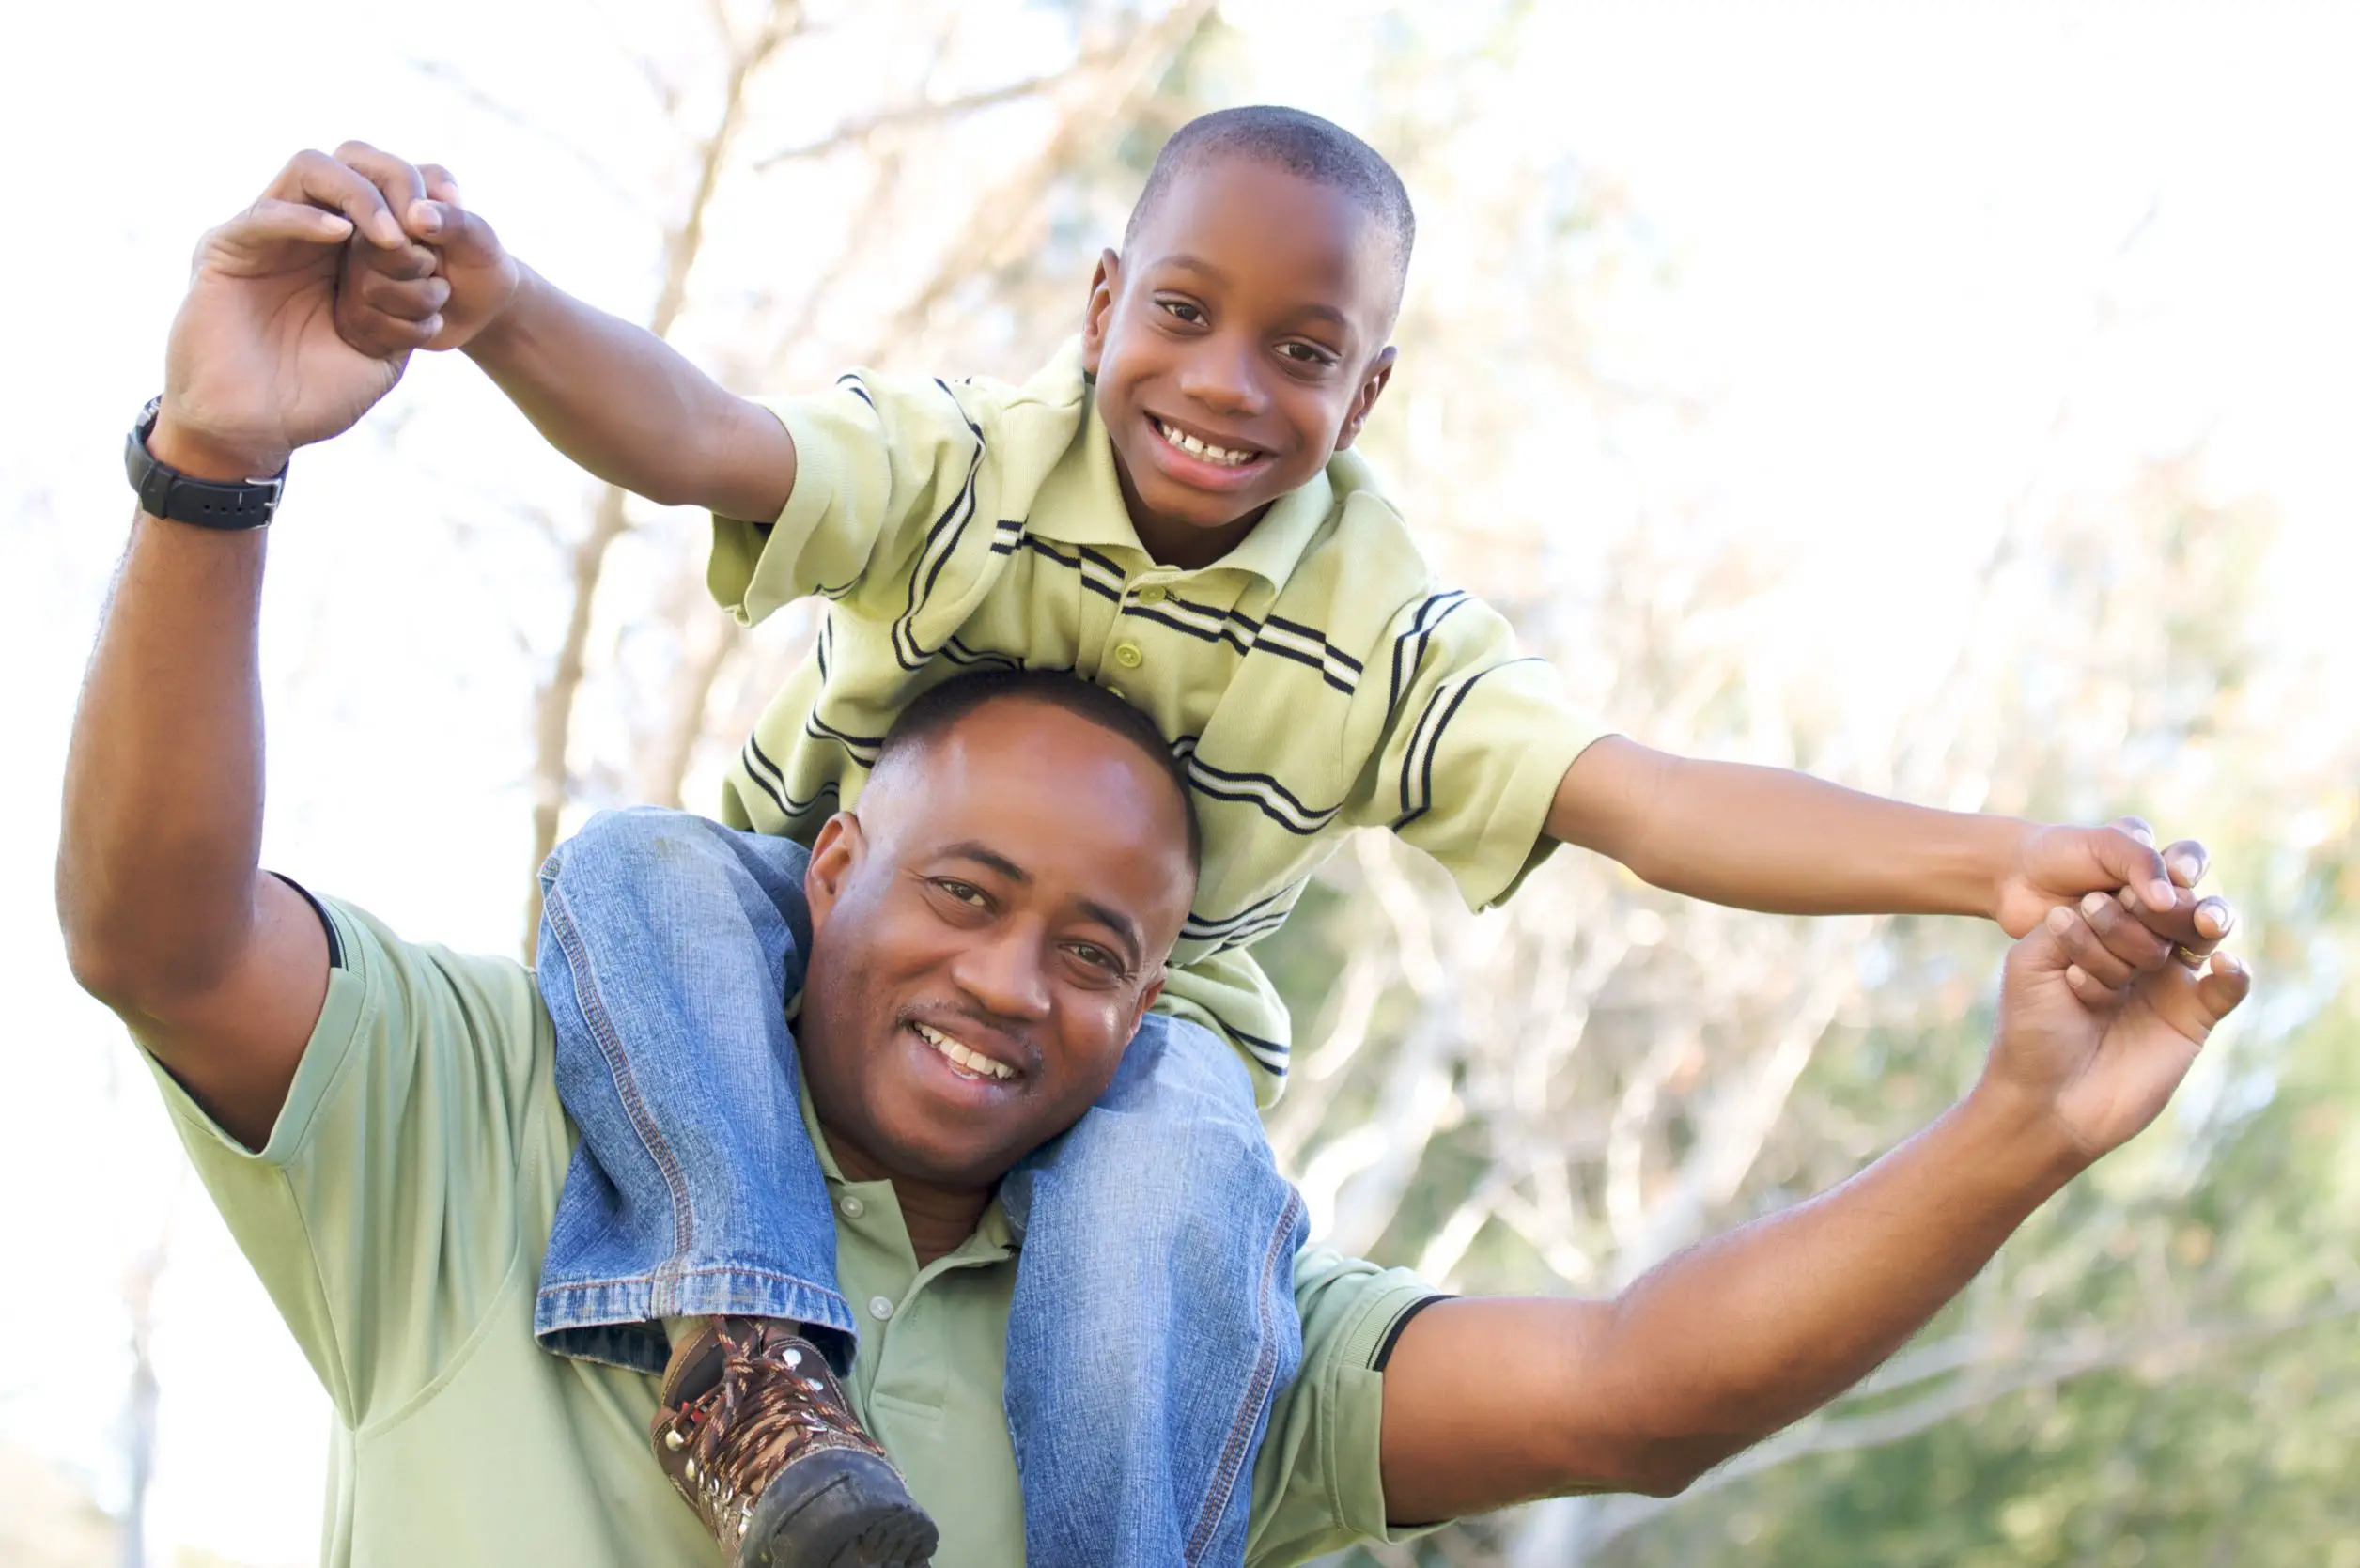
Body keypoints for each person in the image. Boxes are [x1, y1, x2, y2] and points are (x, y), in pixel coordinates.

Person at [53, 166, 2251, 1563]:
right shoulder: (497, 1115)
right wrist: (264, 436)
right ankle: (741, 1351)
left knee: (1188, 1161)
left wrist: (2010, 1061)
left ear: (1365, 391)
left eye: (1093, 942)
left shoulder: (1167, 1299)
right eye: (961, 894)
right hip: (692, 976)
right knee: (627, 864)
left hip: (1166, 1167)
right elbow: (156, 930)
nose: (1013, 978)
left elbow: (1630, 1370)